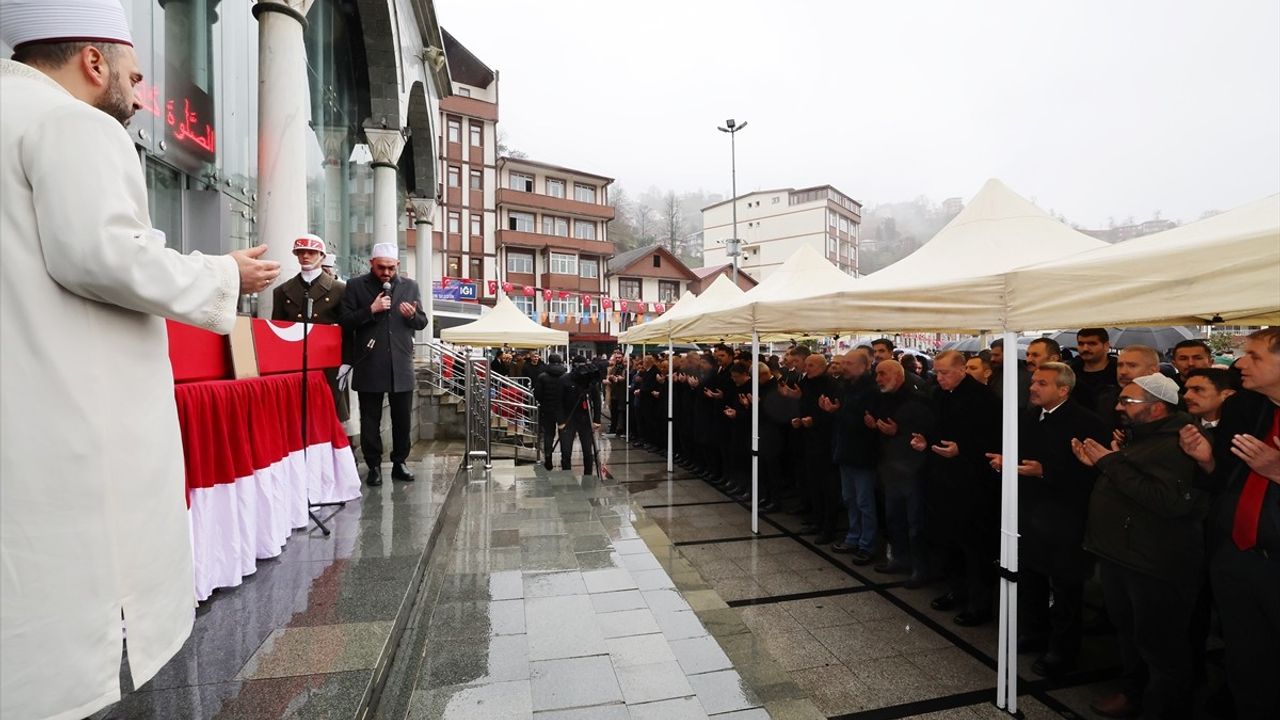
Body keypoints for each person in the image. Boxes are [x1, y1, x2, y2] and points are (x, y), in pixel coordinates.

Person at [0, 4, 281, 718]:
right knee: (78, 642)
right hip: (66, 434)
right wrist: (223, 276)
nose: (140, 83)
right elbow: (104, 254)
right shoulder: (72, 123)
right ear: (93, 65)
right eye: (132, 68)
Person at [1074, 373, 1205, 720]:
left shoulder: (1179, 441)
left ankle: (1164, 708)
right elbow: (1129, 483)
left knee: (1160, 644)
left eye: (1127, 402)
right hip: (1122, 553)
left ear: (1157, 407)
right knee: (1129, 633)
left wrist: (1109, 462)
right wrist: (1103, 464)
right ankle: (1132, 692)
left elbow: (1168, 501)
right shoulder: (1140, 436)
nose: (1119, 407)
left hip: (1153, 562)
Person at [1179, 328, 1280, 720]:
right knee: (1247, 664)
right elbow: (1225, 479)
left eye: (1253, 356)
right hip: (1237, 556)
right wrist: (1205, 459)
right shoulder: (1249, 409)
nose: (1240, 364)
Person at [991, 362, 1107, 678]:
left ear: (1063, 389)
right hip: (1031, 512)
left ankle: (1063, 650)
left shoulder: (1087, 422)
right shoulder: (1031, 416)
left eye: (1041, 383)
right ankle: (1035, 633)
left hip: (1066, 516)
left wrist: (1046, 472)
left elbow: (1095, 473)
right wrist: (1007, 461)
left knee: (1066, 586)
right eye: (1034, 382)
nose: (1032, 387)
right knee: (1032, 578)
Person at [909, 350, 1001, 619]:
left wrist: (963, 449)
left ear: (962, 370)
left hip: (972, 485)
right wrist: (925, 441)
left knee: (974, 546)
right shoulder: (938, 395)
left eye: (945, 372)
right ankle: (956, 590)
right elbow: (933, 427)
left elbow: (994, 439)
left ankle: (979, 602)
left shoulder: (985, 400)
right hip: (942, 480)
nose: (939, 377)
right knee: (948, 541)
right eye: (937, 372)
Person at [339, 243, 428, 486]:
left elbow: (422, 322)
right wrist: (371, 309)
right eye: (381, 268)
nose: (386, 273)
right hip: (370, 362)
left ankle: (400, 461)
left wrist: (412, 315)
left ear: (397, 265)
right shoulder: (356, 286)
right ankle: (374, 465)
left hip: (400, 363)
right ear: (372, 264)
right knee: (370, 420)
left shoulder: (409, 286)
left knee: (402, 419)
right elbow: (345, 322)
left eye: (391, 268)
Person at [869, 360, 935, 581]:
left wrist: (900, 431)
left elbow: (926, 432)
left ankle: (920, 567)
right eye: (877, 374)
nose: (878, 378)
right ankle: (899, 559)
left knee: (915, 522)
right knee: (894, 517)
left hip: (912, 470)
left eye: (882, 374)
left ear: (898, 376)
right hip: (890, 468)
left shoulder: (917, 399)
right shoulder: (882, 398)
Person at [272, 234, 349, 423]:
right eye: (301, 252)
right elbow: (277, 330)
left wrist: (348, 360)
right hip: (294, 360)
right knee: (296, 416)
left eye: (312, 252)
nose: (305, 256)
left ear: (322, 256)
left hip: (328, 361)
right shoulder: (282, 291)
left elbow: (347, 328)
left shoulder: (339, 290)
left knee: (329, 414)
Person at [822, 350, 880, 563]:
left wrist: (837, 412)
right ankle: (853, 536)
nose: (843, 366)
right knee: (849, 498)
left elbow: (863, 421)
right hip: (845, 451)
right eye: (843, 362)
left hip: (863, 454)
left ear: (863, 366)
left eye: (848, 363)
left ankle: (867, 543)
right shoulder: (845, 387)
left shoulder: (871, 390)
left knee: (864, 501)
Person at [559, 356, 603, 475]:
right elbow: (558, 401)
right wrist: (561, 421)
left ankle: (588, 475)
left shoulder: (590, 380)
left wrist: (597, 420)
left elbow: (597, 400)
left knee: (588, 451)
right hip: (568, 419)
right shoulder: (564, 379)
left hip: (585, 418)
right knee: (566, 451)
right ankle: (566, 476)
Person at [1071, 327, 1118, 419]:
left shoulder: (1119, 371)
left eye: (1092, 344)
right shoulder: (1070, 373)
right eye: (1081, 344)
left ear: (1106, 345)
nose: (1085, 348)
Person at [533, 353, 568, 470]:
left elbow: (537, 394)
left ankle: (548, 458)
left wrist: (543, 401)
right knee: (564, 434)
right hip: (562, 410)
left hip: (547, 409)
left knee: (549, 434)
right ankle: (565, 459)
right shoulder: (565, 375)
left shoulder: (542, 376)